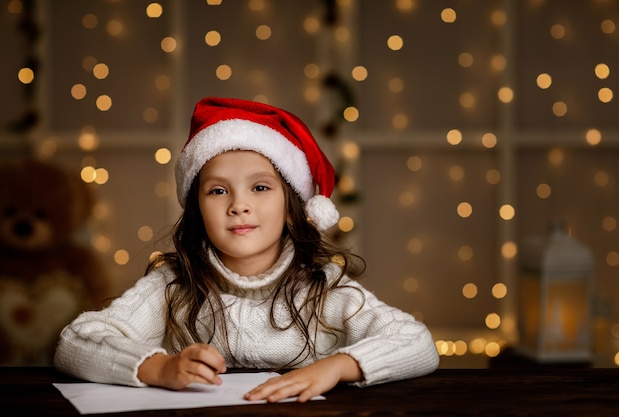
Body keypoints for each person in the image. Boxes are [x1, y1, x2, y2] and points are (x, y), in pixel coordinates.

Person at [54, 97, 439, 403]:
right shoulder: (173, 286)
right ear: (196, 209)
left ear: (293, 208)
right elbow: (75, 342)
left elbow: (417, 343)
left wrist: (338, 366)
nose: (239, 205)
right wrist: (159, 367)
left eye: (260, 187)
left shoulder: (325, 288)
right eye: (218, 190)